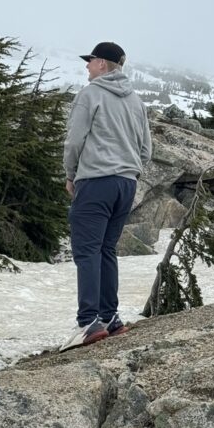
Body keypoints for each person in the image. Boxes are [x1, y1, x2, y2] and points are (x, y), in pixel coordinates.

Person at [59, 41, 152, 352]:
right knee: (107, 250)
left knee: (87, 251)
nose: (87, 66)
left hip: (96, 181)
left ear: (102, 64)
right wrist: (131, 172)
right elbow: (146, 150)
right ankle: (110, 318)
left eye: (91, 60)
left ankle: (88, 322)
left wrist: (71, 175)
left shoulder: (91, 94)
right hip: (126, 184)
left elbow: (74, 140)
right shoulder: (137, 101)